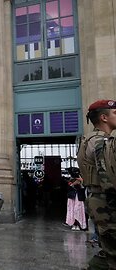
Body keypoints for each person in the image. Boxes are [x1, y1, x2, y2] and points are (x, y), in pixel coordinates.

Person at [77, 100, 116, 270]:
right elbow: (107, 176)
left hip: (97, 198)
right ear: (103, 118)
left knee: (109, 250)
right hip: (106, 201)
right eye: (115, 113)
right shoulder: (100, 141)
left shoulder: (88, 139)